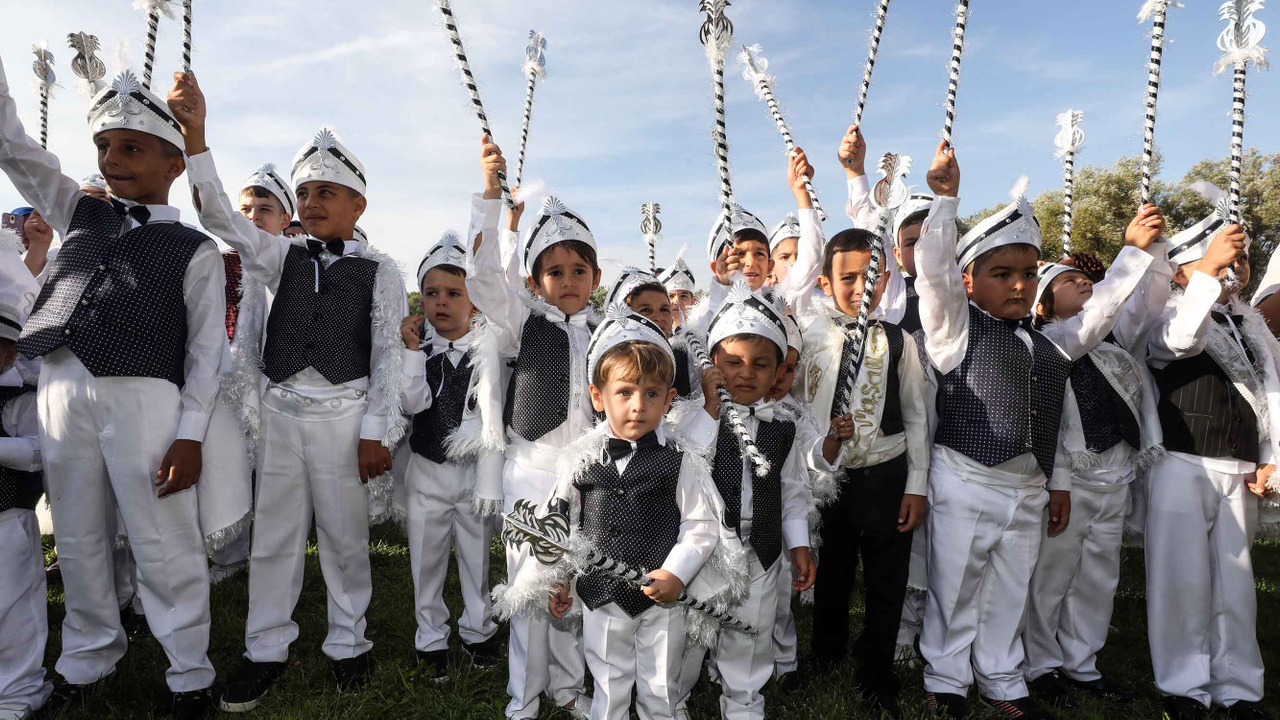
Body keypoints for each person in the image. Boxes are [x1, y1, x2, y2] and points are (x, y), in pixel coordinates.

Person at [168, 73, 407, 709]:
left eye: (326, 192)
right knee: (275, 537)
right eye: (304, 193)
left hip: (344, 414)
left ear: (358, 204)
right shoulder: (279, 255)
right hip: (280, 414)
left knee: (345, 538)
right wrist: (196, 138)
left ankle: (348, 639)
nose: (311, 202)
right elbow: (218, 212)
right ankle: (264, 645)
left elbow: (387, 349)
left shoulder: (382, 269)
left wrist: (376, 429)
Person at [1, 62, 226, 719]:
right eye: (104, 145)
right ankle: (86, 656)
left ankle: (190, 674)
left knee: (162, 540)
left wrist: (190, 434)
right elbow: (15, 147)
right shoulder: (78, 212)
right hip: (63, 390)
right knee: (75, 534)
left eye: (131, 146)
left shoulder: (194, 248)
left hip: (144, 397)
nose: (112, 158)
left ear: (173, 163)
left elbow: (207, 352)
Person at [912, 141, 1154, 719]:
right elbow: (933, 275)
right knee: (957, 585)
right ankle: (945, 678)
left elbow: (1091, 327)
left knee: (1009, 587)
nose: (1019, 285)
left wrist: (1133, 255)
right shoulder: (953, 331)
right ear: (970, 282)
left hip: (1028, 488)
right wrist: (945, 204)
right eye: (1001, 274)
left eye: (1027, 274)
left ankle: (1001, 676)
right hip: (966, 478)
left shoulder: (1050, 345)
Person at [465, 136, 597, 719]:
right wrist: (489, 200)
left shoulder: (606, 332)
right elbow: (484, 278)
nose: (567, 281)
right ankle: (524, 695)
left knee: (574, 583)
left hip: (590, 474)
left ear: (593, 274)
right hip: (531, 472)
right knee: (528, 586)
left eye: (577, 270)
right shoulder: (522, 319)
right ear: (536, 279)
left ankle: (568, 686)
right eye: (553, 272)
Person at [541, 309, 723, 720]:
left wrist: (676, 573)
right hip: (600, 595)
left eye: (651, 394)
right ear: (597, 396)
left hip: (662, 600)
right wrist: (559, 578)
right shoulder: (579, 459)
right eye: (625, 392)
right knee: (608, 683)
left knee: (661, 684)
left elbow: (700, 523)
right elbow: (562, 524)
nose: (638, 407)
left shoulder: (680, 460)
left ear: (669, 398)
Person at [1022, 210, 1170, 712]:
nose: (1084, 281)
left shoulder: (1112, 343)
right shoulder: (1053, 341)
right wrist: (1127, 254)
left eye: (1087, 278)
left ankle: (1082, 664)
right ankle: (1039, 664)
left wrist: (1152, 250)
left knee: (1099, 576)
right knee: (1052, 576)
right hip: (1070, 479)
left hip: (1116, 474)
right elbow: (1099, 314)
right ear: (1043, 306)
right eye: (1069, 280)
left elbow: (1141, 301)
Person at [787, 222, 931, 718]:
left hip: (887, 475)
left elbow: (916, 414)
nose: (857, 287)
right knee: (833, 574)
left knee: (886, 580)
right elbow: (798, 407)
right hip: (833, 480)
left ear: (886, 278)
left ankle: (877, 671)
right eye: (846, 277)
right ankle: (826, 654)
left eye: (868, 276)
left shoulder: (899, 342)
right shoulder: (809, 340)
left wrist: (916, 485)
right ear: (825, 282)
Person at [1143, 210, 1277, 720]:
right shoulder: (1166, 313)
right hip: (1183, 461)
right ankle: (1184, 685)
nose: (1230, 268)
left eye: (1237, 259)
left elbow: (1271, 397)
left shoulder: (1250, 324)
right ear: (1181, 271)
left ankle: (1238, 687)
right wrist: (1206, 276)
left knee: (1236, 582)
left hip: (1238, 466)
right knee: (1182, 579)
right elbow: (1180, 342)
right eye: (1217, 258)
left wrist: (1271, 461)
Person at [675, 282, 817, 720]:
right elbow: (686, 465)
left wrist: (798, 543)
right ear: (712, 366)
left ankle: (743, 703)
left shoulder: (783, 426)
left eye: (760, 364)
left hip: (761, 550)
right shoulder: (693, 418)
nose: (746, 373)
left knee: (751, 632)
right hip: (706, 550)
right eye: (732, 363)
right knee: (691, 635)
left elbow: (792, 489)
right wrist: (712, 413)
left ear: (778, 371)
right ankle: (671, 698)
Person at [397, 230, 504, 679]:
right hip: (426, 471)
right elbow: (411, 403)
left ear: (474, 302)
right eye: (432, 293)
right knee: (426, 555)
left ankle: (478, 629)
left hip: (472, 473)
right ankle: (430, 634)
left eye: (454, 293)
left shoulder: (491, 351)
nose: (441, 302)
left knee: (476, 555)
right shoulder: (418, 350)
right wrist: (410, 355)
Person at [0, 232, 49, 720]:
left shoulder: (16, 401)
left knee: (14, 609)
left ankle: (19, 693)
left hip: (6, 521)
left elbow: (44, 451)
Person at [605, 268, 700, 398]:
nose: (658, 317)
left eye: (664, 309)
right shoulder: (614, 362)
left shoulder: (679, 356)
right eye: (645, 310)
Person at [658, 253, 698, 329]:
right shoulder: (651, 335)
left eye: (683, 296)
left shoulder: (702, 331)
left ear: (693, 301)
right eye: (671, 296)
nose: (677, 301)